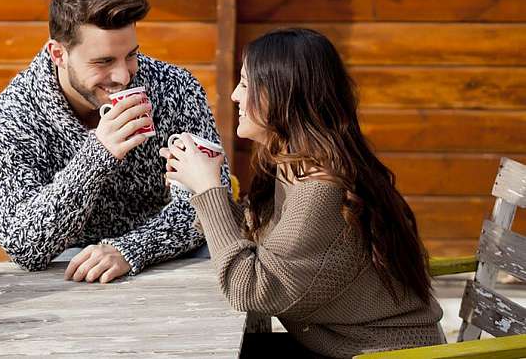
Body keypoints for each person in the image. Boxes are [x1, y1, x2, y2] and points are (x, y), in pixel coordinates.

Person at [162, 28, 445, 358]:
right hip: (340, 344)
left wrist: (209, 190)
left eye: (245, 84)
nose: (235, 96)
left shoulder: (320, 188)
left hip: (385, 353)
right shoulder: (297, 163)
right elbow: (264, 240)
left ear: (282, 95)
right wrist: (199, 187)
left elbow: (249, 289)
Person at [0, 0, 230, 284]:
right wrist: (97, 156)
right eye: (104, 61)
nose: (123, 75)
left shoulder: (176, 87)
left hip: (173, 251)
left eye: (131, 55)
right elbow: (24, 246)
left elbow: (210, 202)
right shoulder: (7, 122)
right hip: (71, 263)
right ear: (59, 54)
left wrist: (132, 249)